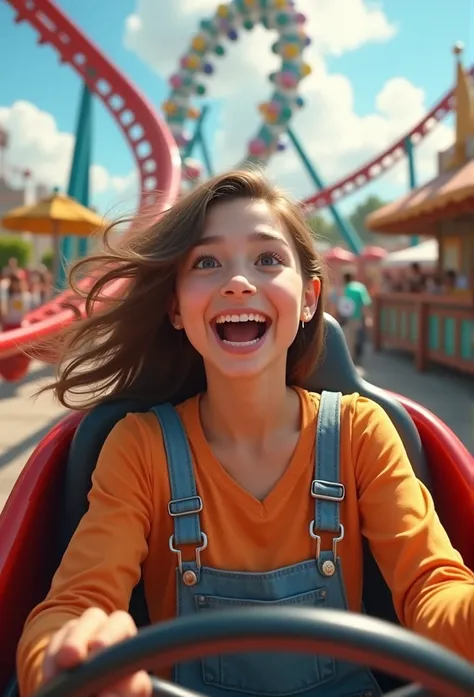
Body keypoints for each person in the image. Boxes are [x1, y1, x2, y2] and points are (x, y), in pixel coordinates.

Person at [17, 170, 474, 697]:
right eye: (207, 262)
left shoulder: (360, 431)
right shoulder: (139, 447)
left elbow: (431, 586)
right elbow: (74, 605)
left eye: (268, 259)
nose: (239, 281)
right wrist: (67, 656)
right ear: (175, 306)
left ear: (309, 298)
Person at [335, 272, 371, 363]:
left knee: (349, 339)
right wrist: (368, 317)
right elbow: (365, 304)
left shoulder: (342, 289)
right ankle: (356, 358)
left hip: (344, 317)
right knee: (358, 338)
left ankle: (349, 359)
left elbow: (337, 304)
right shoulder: (360, 288)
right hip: (357, 317)